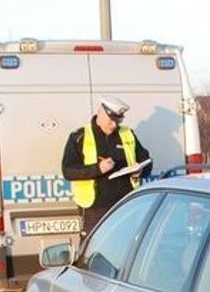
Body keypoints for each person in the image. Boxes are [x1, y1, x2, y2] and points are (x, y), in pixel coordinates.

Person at [62, 95, 152, 236]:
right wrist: (98, 169)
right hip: (95, 209)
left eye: (118, 120)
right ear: (101, 113)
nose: (114, 125)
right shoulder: (79, 137)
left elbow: (146, 161)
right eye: (111, 120)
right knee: (94, 250)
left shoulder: (128, 134)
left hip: (126, 205)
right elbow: (68, 171)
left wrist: (139, 171)